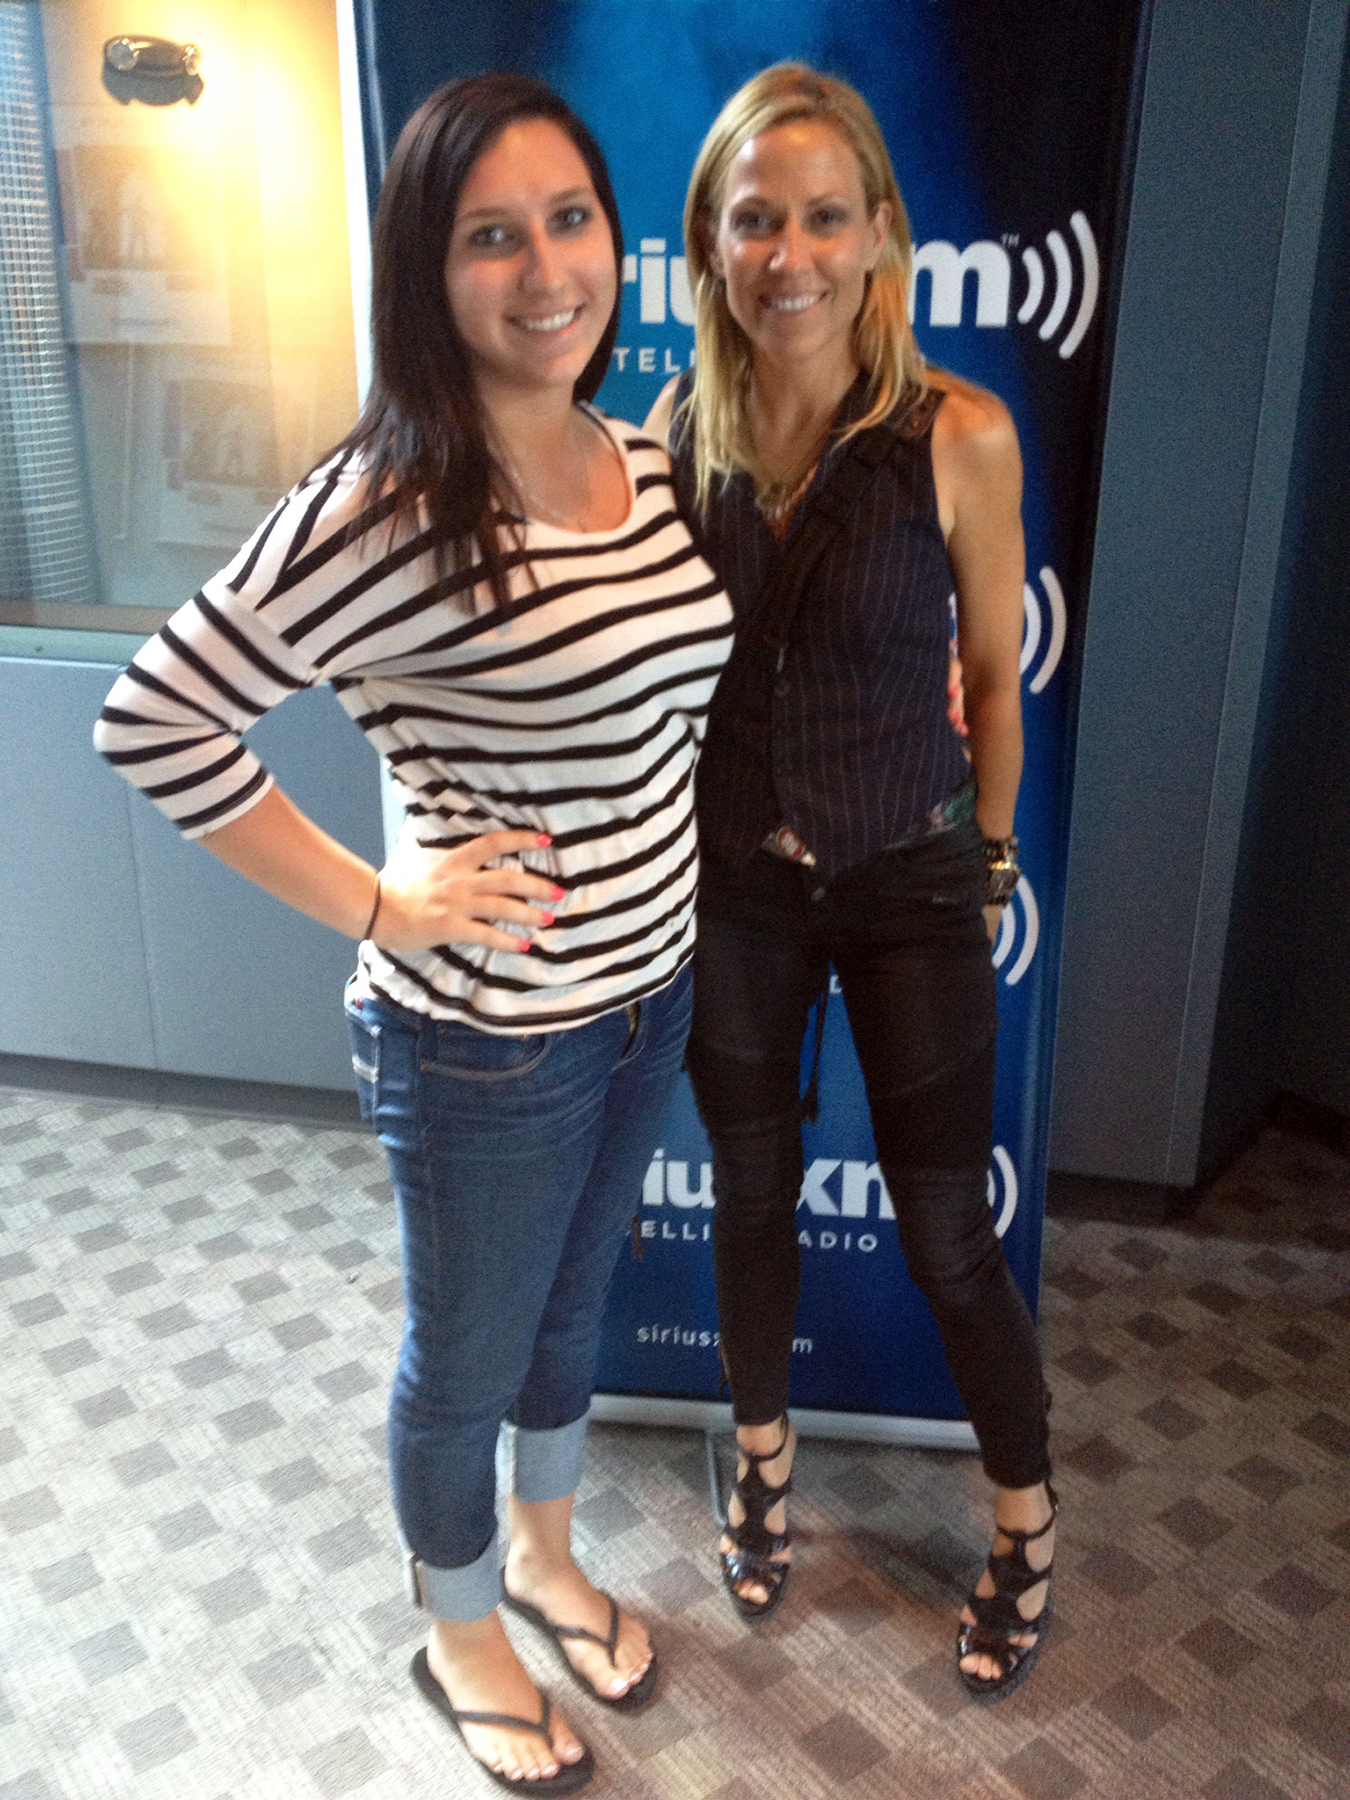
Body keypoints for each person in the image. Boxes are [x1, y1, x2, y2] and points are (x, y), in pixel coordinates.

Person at [96, 74, 732, 1791]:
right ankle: (456, 1628)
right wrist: (383, 899)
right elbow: (155, 718)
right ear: (425, 272)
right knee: (464, 1364)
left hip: (645, 993)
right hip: (483, 1039)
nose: (545, 269)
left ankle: (542, 1558)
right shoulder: (385, 503)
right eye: (489, 237)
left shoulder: (640, 454)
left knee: (567, 1316)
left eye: (569, 220)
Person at [647, 63, 1055, 1701]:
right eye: (756, 220)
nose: (790, 254)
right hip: (735, 884)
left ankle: (1025, 1520)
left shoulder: (961, 434)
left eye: (825, 217)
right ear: (710, 241)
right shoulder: (674, 434)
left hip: (905, 875)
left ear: (881, 231)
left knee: (947, 1231)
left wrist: (990, 855)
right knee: (749, 1194)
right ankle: (759, 1463)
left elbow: (992, 674)